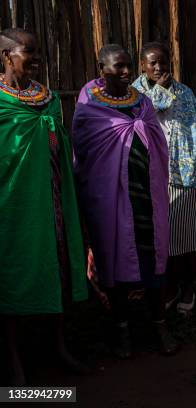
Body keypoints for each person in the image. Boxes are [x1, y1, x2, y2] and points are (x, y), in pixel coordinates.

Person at [72, 44, 177, 358]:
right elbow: (85, 154)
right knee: (114, 259)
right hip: (109, 200)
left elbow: (155, 142)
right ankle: (121, 330)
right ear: (101, 67)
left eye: (129, 66)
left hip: (146, 194)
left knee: (154, 259)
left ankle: (159, 324)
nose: (126, 72)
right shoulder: (89, 103)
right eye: (118, 67)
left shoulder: (142, 102)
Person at [0, 28, 89, 385]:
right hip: (12, 207)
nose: (37, 58)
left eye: (38, 53)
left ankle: (58, 347)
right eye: (28, 52)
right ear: (7, 56)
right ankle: (13, 358)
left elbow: (56, 146)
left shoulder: (48, 99)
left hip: (50, 202)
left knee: (58, 270)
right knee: (12, 274)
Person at [132, 42, 196, 314]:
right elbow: (142, 120)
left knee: (188, 240)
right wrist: (162, 94)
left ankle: (187, 288)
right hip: (152, 177)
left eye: (163, 62)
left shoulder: (184, 92)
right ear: (142, 65)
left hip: (187, 176)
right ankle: (165, 288)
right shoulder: (135, 94)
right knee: (159, 241)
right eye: (152, 62)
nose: (158, 67)